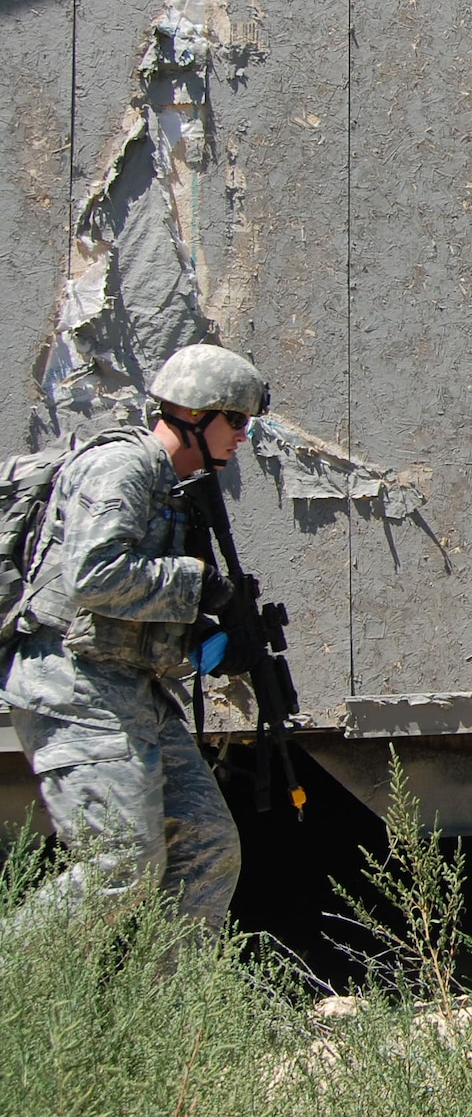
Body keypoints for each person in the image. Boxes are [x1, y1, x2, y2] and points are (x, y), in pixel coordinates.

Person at [2, 343, 269, 932]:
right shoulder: (123, 466)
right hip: (74, 687)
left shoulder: (177, 488)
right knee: (119, 864)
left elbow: (142, 609)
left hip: (129, 689)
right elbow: (94, 576)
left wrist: (212, 638)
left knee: (207, 847)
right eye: (237, 421)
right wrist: (195, 583)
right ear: (196, 414)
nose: (243, 437)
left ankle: (177, 1015)